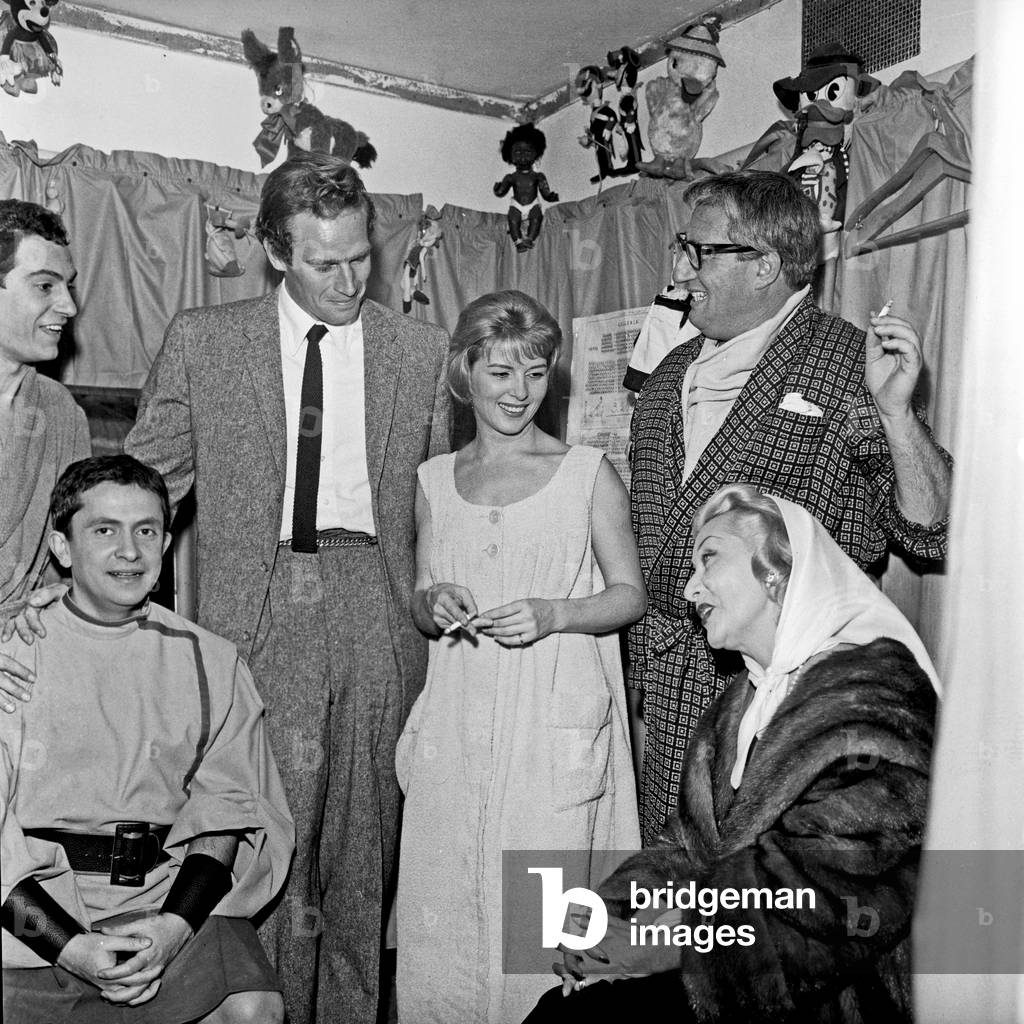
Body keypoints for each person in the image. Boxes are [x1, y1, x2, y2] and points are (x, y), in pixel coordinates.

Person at [123, 152, 451, 1024]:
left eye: (360, 257)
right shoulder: (204, 341)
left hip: (380, 605)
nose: (349, 280)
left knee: (361, 842)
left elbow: (443, 502)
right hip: (255, 605)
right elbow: (142, 489)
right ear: (276, 251)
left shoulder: (418, 351)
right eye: (323, 262)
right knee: (265, 839)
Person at [525, 482, 939, 1024]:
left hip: (827, 996)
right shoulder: (739, 705)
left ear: (776, 571)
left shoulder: (876, 694)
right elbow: (684, 850)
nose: (691, 589)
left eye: (709, 560)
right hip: (727, 975)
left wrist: (660, 943)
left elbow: (832, 894)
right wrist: (606, 917)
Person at [628, 170, 951, 842]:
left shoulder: (842, 361)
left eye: (700, 252)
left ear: (765, 265)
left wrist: (894, 414)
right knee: (681, 894)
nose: (682, 269)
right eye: (683, 248)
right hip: (666, 690)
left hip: (790, 697)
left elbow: (933, 534)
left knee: (776, 902)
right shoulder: (665, 378)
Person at [395, 290, 645, 1024]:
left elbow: (629, 594)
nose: (518, 392)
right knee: (447, 918)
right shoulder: (433, 481)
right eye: (500, 373)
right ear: (464, 373)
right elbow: (418, 592)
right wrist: (431, 601)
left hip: (551, 724)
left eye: (535, 373)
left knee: (542, 931)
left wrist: (554, 614)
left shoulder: (586, 472)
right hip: (457, 721)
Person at [0, 454, 294, 1023]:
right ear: (62, 548)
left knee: (253, 1007)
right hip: (31, 909)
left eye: (146, 531)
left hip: (162, 898)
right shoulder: (12, 656)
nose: (129, 551)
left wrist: (173, 928)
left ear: (165, 544)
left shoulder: (212, 660)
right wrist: (72, 947)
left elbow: (224, 811)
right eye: (104, 530)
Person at [0, 199, 90, 710]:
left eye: (68, 285)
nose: (69, 307)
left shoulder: (61, 414)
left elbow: (69, 553)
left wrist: (67, 596)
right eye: (44, 286)